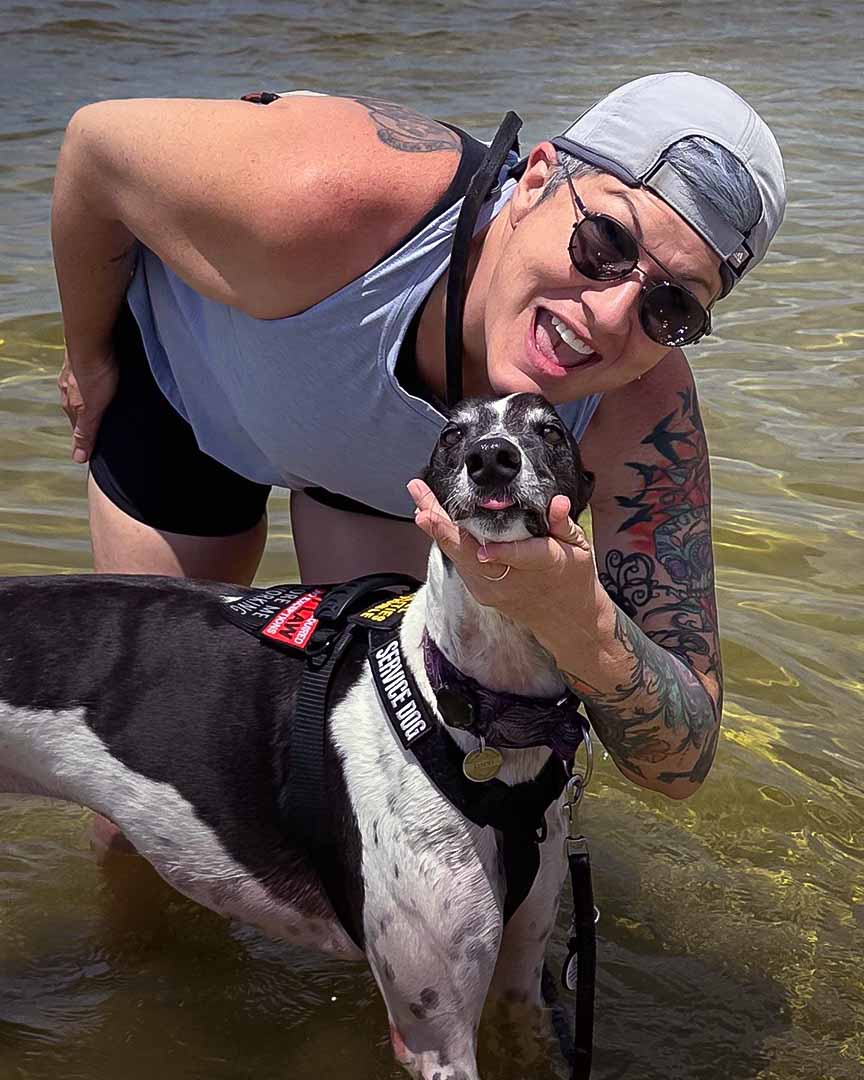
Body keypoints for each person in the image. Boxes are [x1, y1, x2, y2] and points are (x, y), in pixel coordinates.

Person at [52, 72, 785, 805]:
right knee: (142, 784)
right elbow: (94, 147)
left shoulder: (643, 410)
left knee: (385, 777)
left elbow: (677, 765)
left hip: (373, 480)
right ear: (536, 180)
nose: (609, 313)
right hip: (188, 386)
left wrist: (572, 615)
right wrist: (91, 356)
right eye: (604, 241)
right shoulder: (322, 189)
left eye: (672, 307)